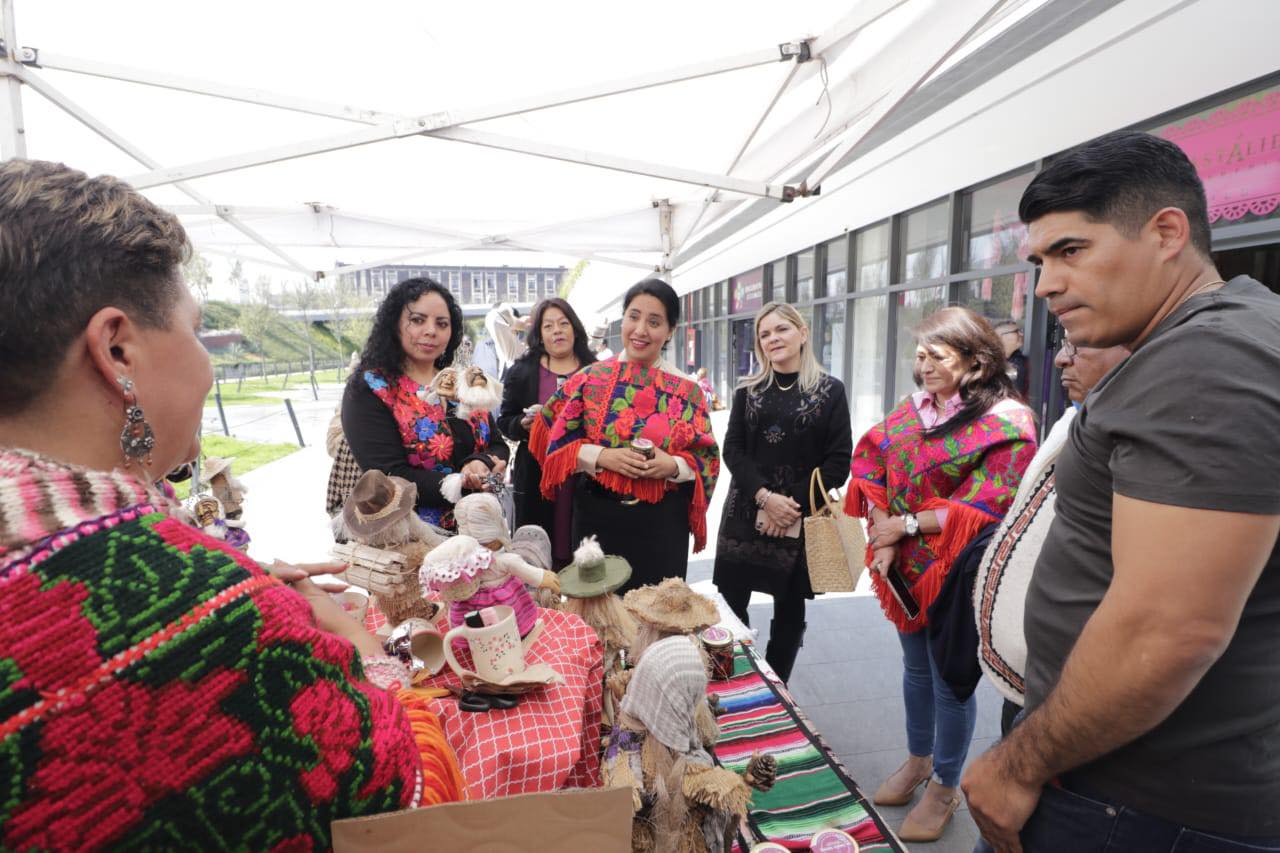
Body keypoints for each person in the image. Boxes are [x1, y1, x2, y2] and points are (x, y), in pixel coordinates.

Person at [0, 160, 462, 851]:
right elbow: (417, 798)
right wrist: (350, 638)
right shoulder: (216, 619)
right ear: (117, 348)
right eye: (195, 327)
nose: (205, 360)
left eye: (440, 321)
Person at [962, 131, 1280, 852]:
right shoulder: (1211, 338)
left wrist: (1018, 763)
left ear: (1167, 232)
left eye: (1071, 250)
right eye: (1040, 260)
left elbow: (1169, 627)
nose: (1044, 284)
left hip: (1130, 803)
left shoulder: (1208, 357)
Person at [843, 306, 1036, 843]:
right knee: (915, 670)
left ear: (974, 361)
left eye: (937, 356)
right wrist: (881, 526)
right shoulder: (916, 407)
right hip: (903, 569)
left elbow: (989, 502)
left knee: (950, 681)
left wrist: (903, 524)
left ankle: (946, 785)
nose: (923, 366)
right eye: (920, 355)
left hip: (956, 572)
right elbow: (872, 459)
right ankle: (918, 760)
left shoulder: (1008, 421)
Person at [973, 338, 1129, 739]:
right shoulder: (1073, 421)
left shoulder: (1135, 442)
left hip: (1077, 678)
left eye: (1079, 346)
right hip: (1036, 665)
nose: (1060, 358)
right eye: (1064, 344)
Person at [530, 279, 719, 593]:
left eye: (654, 322)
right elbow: (553, 438)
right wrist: (601, 456)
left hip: (661, 526)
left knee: (657, 619)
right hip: (596, 518)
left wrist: (672, 466)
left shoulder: (687, 391)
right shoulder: (590, 378)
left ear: (670, 330)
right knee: (598, 617)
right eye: (634, 317)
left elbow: (707, 459)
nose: (640, 330)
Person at [712, 302, 852, 682]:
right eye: (764, 334)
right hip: (744, 513)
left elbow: (839, 464)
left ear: (802, 333)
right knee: (728, 607)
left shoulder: (830, 391)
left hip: (798, 518)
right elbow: (733, 451)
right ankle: (735, 683)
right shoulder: (749, 391)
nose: (773, 339)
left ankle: (777, 690)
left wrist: (787, 506)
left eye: (781, 330)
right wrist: (765, 498)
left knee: (788, 614)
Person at [342, 278, 508, 530]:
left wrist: (482, 464)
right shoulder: (371, 389)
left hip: (483, 530)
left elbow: (497, 444)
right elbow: (389, 476)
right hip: (416, 540)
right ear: (394, 325)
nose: (431, 331)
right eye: (418, 320)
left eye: (442, 323)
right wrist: (461, 483)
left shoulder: (459, 381)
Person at [496, 297, 596, 567]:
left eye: (564, 323)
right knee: (538, 556)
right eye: (548, 326)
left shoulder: (597, 371)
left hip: (584, 476)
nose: (557, 331)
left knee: (584, 555)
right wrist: (522, 425)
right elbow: (504, 420)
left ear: (575, 329)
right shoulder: (522, 371)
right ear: (539, 334)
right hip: (538, 475)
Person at [993, 319, 1029, 398]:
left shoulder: (1023, 362)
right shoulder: (989, 364)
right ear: (1001, 337)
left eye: (1020, 330)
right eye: (1016, 331)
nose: (1021, 334)